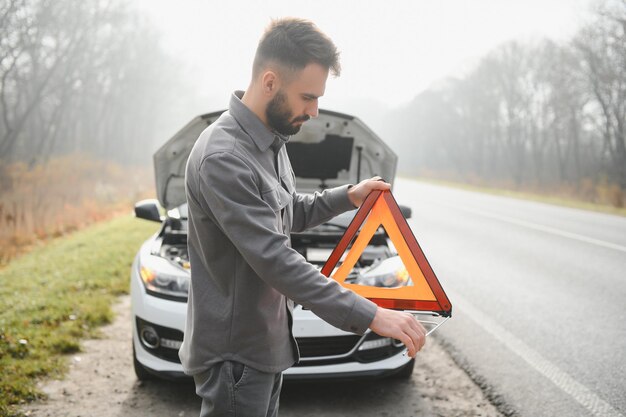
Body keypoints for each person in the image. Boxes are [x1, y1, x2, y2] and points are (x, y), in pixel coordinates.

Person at [179, 17, 426, 417]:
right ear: (270, 82)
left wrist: (349, 195)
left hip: (262, 346)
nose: (314, 111)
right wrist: (371, 313)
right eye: (307, 97)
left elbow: (287, 210)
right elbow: (275, 259)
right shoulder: (224, 157)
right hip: (235, 356)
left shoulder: (271, 140)